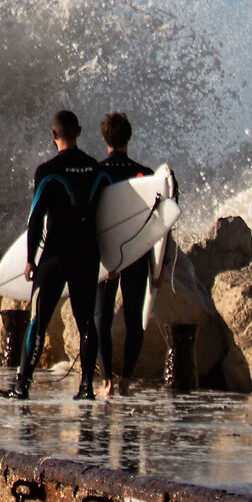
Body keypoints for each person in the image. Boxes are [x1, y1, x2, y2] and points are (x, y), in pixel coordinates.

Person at [0, 110, 111, 402]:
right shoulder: (98, 170)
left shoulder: (47, 171)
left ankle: (22, 386)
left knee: (38, 321)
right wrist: (113, 260)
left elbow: (35, 220)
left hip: (55, 255)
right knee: (86, 322)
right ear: (80, 132)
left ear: (53, 134)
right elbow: (109, 218)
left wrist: (30, 259)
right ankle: (86, 387)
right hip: (87, 254)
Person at [92, 112, 156, 394]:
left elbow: (90, 218)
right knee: (134, 319)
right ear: (129, 138)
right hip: (137, 254)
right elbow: (158, 225)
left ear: (104, 138)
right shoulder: (146, 175)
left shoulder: (97, 173)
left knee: (100, 319)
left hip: (106, 256)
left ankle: (106, 380)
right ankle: (126, 380)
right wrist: (160, 266)